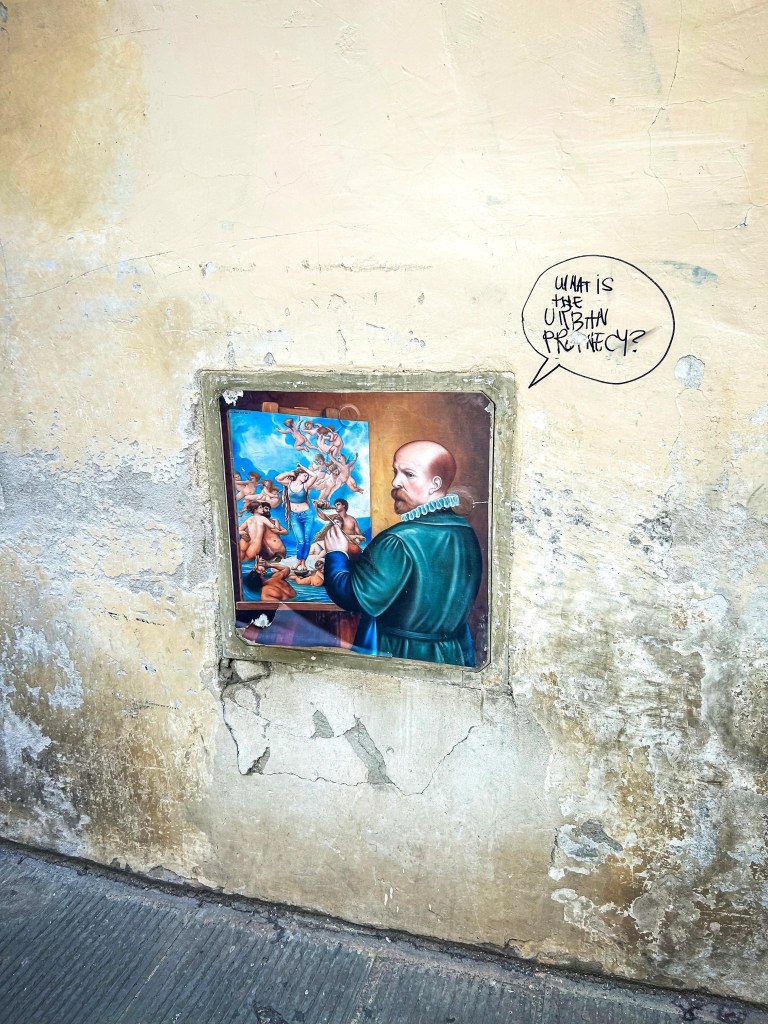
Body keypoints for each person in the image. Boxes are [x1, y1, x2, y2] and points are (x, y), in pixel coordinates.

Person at [323, 440, 482, 666]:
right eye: (395, 472)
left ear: (435, 484)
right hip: (452, 655)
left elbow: (354, 597)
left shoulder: (398, 540)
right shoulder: (464, 531)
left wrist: (336, 555)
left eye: (409, 474)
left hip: (401, 655)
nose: (395, 482)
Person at [275, 465, 321, 574]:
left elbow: (314, 476)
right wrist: (290, 473)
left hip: (307, 515)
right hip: (294, 515)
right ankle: (299, 560)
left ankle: (302, 562)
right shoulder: (289, 483)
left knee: (307, 539)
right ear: (298, 474)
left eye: (307, 476)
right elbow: (278, 478)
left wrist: (304, 468)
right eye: (304, 475)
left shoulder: (305, 485)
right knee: (300, 540)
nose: (306, 478)